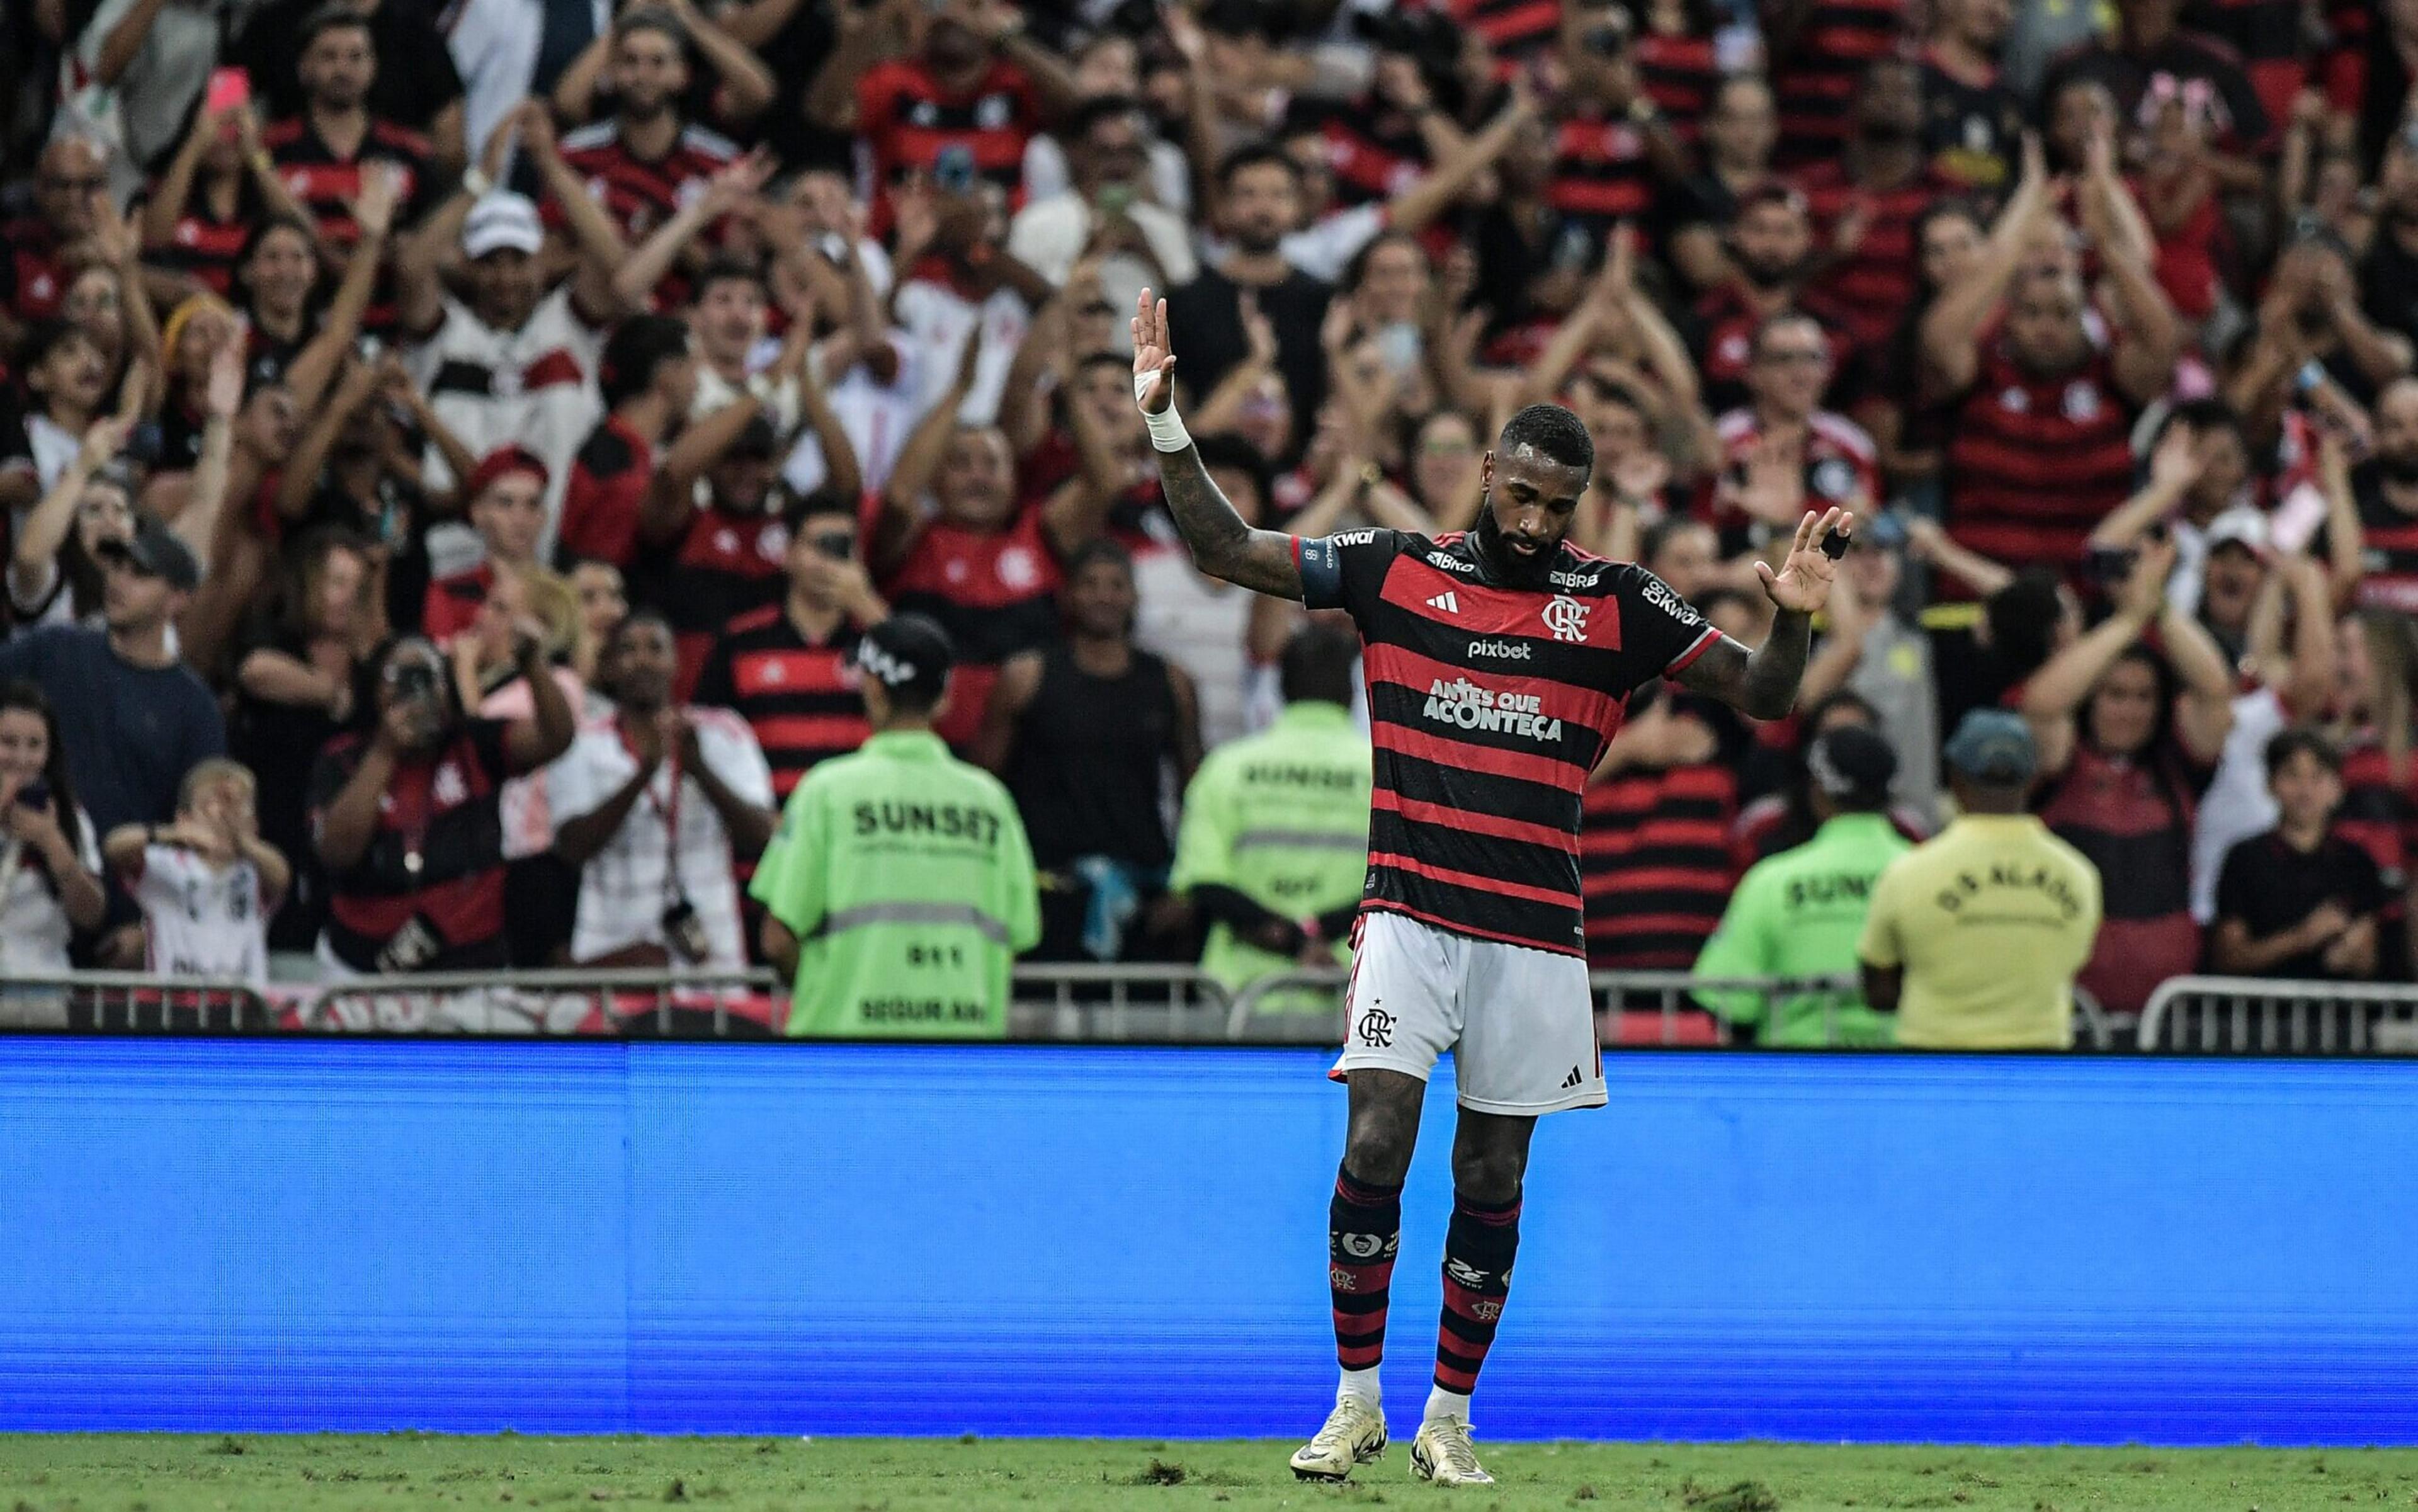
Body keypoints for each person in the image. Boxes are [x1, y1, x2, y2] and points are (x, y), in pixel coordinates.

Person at [1131, 290, 1847, 1486]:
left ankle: (1447, 1416)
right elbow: (1223, 549)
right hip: (1408, 912)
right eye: (1521, 494)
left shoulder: (1615, 602)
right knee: (1376, 1136)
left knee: (1493, 1175)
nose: (1535, 520)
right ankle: (1354, 1402)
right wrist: (1165, 426)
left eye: (1559, 505)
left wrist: (1796, 626)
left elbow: (1766, 697)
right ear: (1486, 474)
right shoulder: (1391, 569)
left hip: (1534, 934)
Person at [750, 613, 1041, 1037]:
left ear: (872, 686)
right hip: (963, 1051)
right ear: (944, 697)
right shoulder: (991, 801)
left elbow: (778, 941)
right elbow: (1017, 935)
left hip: (845, 1051)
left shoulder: (828, 791)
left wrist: (833, 992)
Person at [975, 540, 1199, 962]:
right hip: (1048, 891)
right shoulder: (1026, 677)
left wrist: (1186, 888)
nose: (1104, 595)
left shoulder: (1171, 682)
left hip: (1146, 897)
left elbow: (1196, 793)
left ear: (1134, 597)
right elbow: (985, 789)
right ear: (1068, 595)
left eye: (1117, 585)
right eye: (1090, 584)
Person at [308, 629, 573, 975]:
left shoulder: (473, 744)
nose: (416, 695)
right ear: (374, 690)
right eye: (401, 680)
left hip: (473, 969)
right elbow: (337, 853)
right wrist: (386, 751)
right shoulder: (342, 758)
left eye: (428, 679)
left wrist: (531, 664)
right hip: (363, 972)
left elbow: (556, 737)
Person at [1859, 710, 2103, 1050]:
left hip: (1934, 1061)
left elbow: (1878, 992)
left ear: (1955, 778)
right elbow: (2076, 960)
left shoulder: (1909, 872)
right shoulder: (2079, 875)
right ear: (2032, 780)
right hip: (2041, 1064)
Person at [550, 611, 775, 969]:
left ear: (676, 663)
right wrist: (645, 773)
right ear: (608, 667)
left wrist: (699, 769)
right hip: (611, 952)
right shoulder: (583, 744)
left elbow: (763, 836)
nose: (643, 660)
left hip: (712, 959)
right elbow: (572, 848)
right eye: (628, 649)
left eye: (656, 648)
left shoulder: (724, 732)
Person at [1170, 622, 1371, 1012]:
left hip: (1240, 996)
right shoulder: (1383, 771)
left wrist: (1294, 937)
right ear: (1350, 691)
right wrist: (1317, 935)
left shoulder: (1226, 768)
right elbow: (1403, 883)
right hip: (1353, 986)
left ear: (1281, 688)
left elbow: (1202, 879)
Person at [0, 515, 223, 841]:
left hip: (125, 881)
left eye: (140, 574)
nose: (119, 581)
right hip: (23, 868)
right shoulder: (55, 648)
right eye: (117, 567)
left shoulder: (195, 707)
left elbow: (202, 822)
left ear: (177, 599)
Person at [1691, 724, 1909, 1047]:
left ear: (1817, 790)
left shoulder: (1772, 882)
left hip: (1793, 1082)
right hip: (1913, 1078)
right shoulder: (1928, 876)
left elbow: (1729, 999)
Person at [693, 493, 885, 802]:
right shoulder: (741, 643)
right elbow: (710, 740)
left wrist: (868, 606)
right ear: (788, 554)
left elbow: (928, 700)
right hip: (767, 830)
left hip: (855, 826)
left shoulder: (881, 641)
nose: (832, 562)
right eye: (821, 546)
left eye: (845, 548)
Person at [2210, 730, 2388, 981]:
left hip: (2338, 1016)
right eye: (2292, 775)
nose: (2305, 790)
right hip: (2262, 1015)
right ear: (2271, 784)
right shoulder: (2245, 859)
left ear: (2337, 788)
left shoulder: (2356, 861)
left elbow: (2371, 957)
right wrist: (2302, 938)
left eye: (2318, 777)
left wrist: (2354, 954)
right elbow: (2228, 957)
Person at [101, 757, 289, 985]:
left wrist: (241, 839)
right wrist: (172, 835)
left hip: (243, 1011)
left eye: (237, 808)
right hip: (176, 1008)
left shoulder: (255, 873)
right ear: (184, 818)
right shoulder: (164, 865)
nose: (222, 816)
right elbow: (114, 846)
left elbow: (282, 876)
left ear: (254, 824)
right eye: (211, 805)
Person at [0, 680, 106, 988]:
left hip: (41, 984)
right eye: (8, 742)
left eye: (35, 745)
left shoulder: (70, 817)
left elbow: (90, 916)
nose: (22, 758)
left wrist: (53, 844)